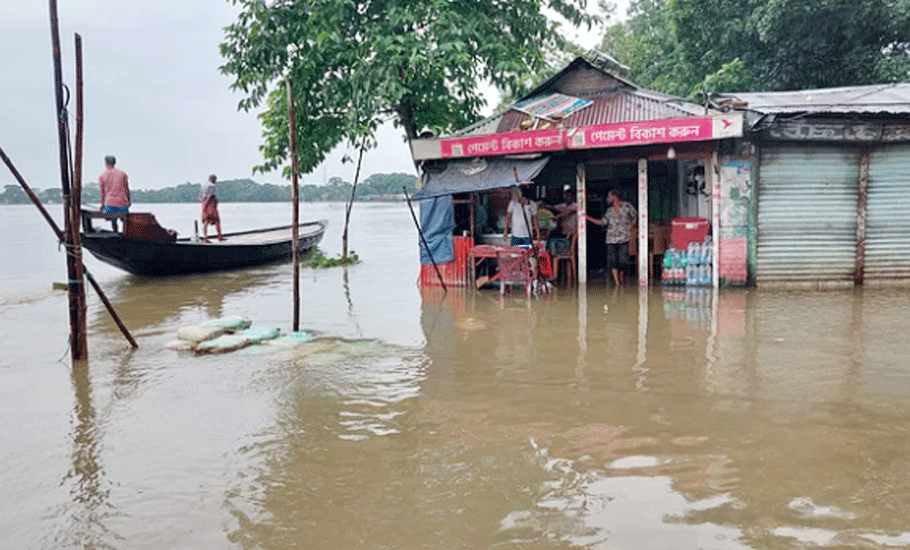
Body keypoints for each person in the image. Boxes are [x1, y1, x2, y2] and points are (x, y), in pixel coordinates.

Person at [587, 189, 636, 286]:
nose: (607, 199)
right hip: (611, 239)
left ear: (614, 197)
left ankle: (621, 277)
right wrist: (587, 218)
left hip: (624, 238)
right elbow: (602, 222)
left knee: (622, 261)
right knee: (613, 261)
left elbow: (635, 215)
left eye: (608, 196)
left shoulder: (626, 206)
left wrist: (631, 226)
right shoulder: (609, 211)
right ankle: (617, 284)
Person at [98, 155, 130, 230]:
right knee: (125, 219)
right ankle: (125, 233)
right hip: (122, 202)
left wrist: (102, 205)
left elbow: (103, 193)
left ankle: (115, 230)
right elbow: (127, 189)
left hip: (109, 203)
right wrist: (129, 200)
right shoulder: (122, 174)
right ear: (115, 163)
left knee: (112, 219)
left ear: (106, 163)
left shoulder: (102, 176)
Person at [199, 173, 224, 242]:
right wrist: (207, 205)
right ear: (212, 179)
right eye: (215, 179)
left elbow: (200, 197)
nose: (215, 181)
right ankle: (219, 236)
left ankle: (205, 237)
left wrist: (204, 205)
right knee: (217, 220)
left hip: (204, 203)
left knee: (206, 221)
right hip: (210, 204)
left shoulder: (203, 186)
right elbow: (210, 196)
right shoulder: (212, 186)